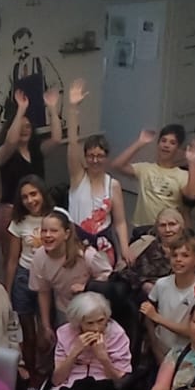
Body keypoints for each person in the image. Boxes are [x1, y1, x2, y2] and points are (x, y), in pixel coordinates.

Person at [63, 82, 130, 266]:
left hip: (103, 243)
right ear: (85, 157)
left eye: (100, 156)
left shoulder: (112, 185)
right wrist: (73, 109)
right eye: (90, 156)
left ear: (106, 158)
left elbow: (120, 222)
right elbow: (72, 144)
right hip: (77, 241)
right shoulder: (78, 177)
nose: (95, 160)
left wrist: (125, 248)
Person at [32, 210, 111, 357]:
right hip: (64, 311)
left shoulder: (86, 255)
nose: (47, 235)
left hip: (92, 312)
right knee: (69, 351)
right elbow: (43, 291)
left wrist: (87, 287)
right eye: (44, 231)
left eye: (53, 231)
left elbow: (109, 278)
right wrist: (46, 325)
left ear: (66, 234)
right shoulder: (39, 257)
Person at [44, 291, 131, 390]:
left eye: (101, 321)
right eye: (90, 323)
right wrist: (74, 352)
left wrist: (103, 358)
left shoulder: (117, 335)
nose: (97, 329)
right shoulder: (65, 333)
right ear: (78, 323)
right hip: (69, 389)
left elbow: (119, 382)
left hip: (104, 389)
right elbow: (56, 380)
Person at [4, 174, 52, 372]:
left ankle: (48, 371)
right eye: (25, 197)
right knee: (28, 333)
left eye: (34, 194)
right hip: (24, 277)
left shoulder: (56, 216)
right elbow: (12, 260)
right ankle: (31, 375)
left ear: (42, 193)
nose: (30, 200)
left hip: (49, 279)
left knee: (47, 331)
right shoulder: (19, 222)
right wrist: (7, 291)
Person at [110, 124, 195, 228]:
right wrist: (140, 143)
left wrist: (192, 161)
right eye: (163, 141)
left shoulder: (181, 174)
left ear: (178, 149)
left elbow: (192, 195)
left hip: (167, 229)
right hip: (142, 227)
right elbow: (117, 165)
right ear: (158, 144)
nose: (166, 145)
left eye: (172, 143)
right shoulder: (145, 169)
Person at [142, 234, 195, 362]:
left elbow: (193, 331)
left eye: (185, 255)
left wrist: (158, 318)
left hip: (186, 354)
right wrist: (155, 346)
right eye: (174, 255)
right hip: (160, 348)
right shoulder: (161, 284)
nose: (178, 260)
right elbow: (148, 315)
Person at [0, 92, 44, 271]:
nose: (24, 130)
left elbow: (55, 139)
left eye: (28, 126)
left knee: (36, 256)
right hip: (11, 211)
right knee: (12, 259)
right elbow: (12, 141)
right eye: (20, 126)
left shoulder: (36, 152)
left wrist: (53, 109)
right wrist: (21, 109)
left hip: (35, 209)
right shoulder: (4, 153)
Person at [121, 207, 195, 297]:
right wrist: (143, 284)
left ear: (181, 226)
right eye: (162, 225)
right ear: (157, 228)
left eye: (172, 224)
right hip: (147, 295)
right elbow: (125, 271)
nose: (167, 230)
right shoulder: (147, 246)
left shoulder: (191, 248)